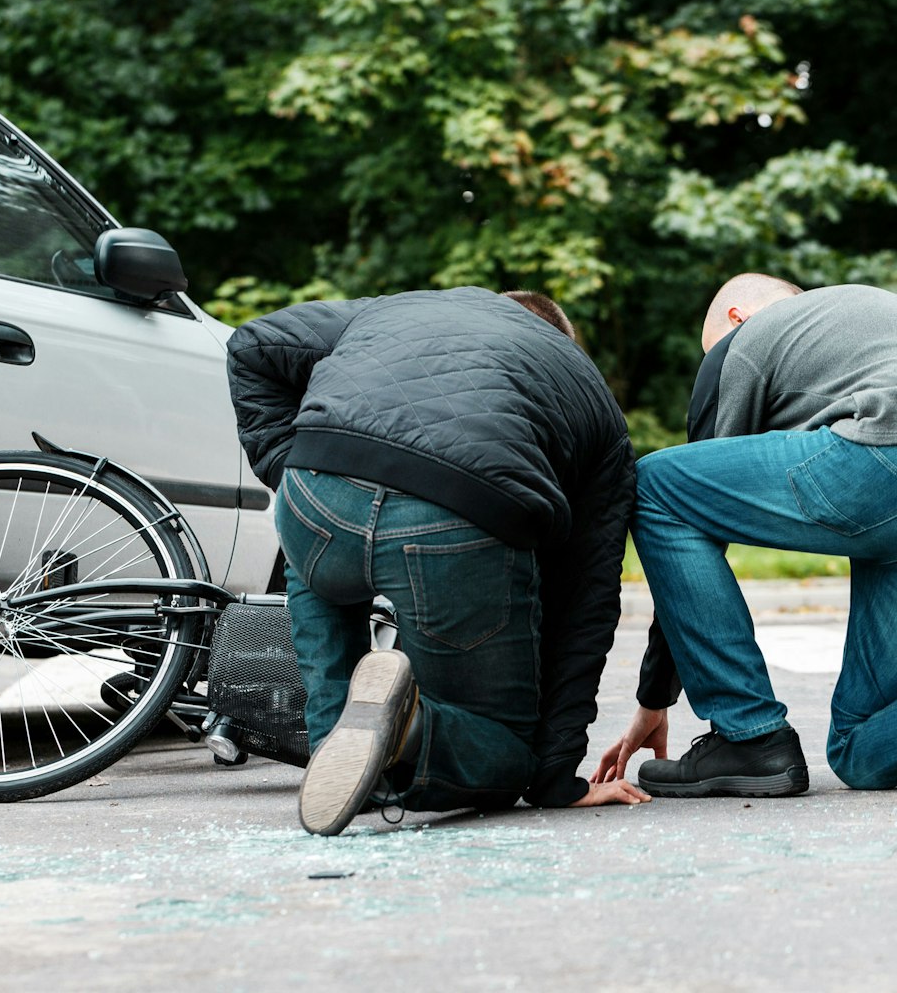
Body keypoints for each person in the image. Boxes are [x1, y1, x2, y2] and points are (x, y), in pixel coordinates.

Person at [227, 285, 648, 836]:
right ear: (559, 340)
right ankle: (407, 730)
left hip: (317, 499)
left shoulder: (400, 306)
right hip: (457, 516)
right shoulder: (588, 392)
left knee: (314, 575)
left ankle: (340, 751)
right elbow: (584, 602)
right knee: (506, 752)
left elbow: (251, 344)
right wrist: (554, 777)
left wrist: (288, 470)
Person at [594, 274, 897, 797]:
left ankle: (750, 737)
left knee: (659, 486)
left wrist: (654, 699)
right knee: (859, 749)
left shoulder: (743, 343)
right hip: (883, 510)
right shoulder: (862, 318)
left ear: (736, 318)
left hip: (880, 457)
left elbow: (687, 522)